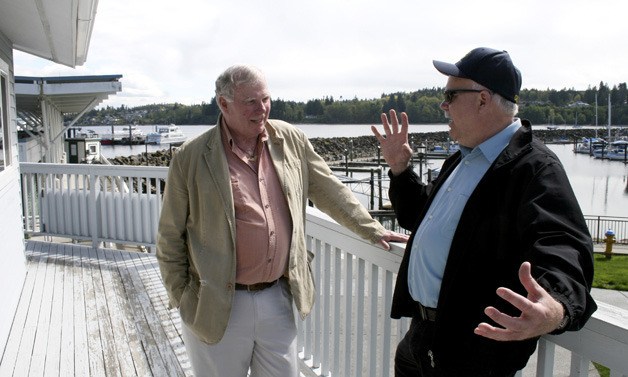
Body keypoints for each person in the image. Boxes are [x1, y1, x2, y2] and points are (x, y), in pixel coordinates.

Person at [156, 64, 408, 377]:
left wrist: (373, 230)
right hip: (216, 302)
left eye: (265, 99)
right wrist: (182, 298)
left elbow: (330, 190)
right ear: (223, 104)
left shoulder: (290, 139)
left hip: (276, 295)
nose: (261, 109)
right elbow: (169, 237)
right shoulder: (190, 157)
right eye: (250, 102)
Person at [371, 47, 597, 377]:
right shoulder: (464, 157)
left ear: (482, 99)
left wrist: (557, 304)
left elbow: (563, 243)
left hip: (470, 353)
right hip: (421, 337)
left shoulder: (534, 167)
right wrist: (401, 168)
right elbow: (422, 215)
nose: (443, 105)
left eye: (450, 95)